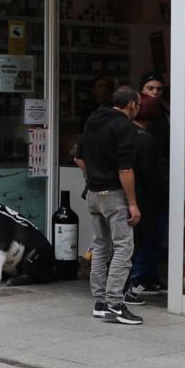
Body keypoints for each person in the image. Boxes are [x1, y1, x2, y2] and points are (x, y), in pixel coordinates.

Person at [75, 85, 143, 325]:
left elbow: (78, 156)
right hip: (113, 194)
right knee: (124, 247)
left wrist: (92, 176)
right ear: (132, 104)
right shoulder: (125, 127)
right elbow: (125, 169)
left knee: (101, 246)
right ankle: (115, 303)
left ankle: (101, 302)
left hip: (93, 193)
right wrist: (133, 203)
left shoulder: (93, 120)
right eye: (139, 104)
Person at [132, 72, 170, 294]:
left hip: (159, 179)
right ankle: (139, 275)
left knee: (157, 233)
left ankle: (150, 275)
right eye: (150, 88)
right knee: (146, 233)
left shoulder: (164, 112)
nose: (155, 92)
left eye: (159, 89)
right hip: (148, 184)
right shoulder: (140, 125)